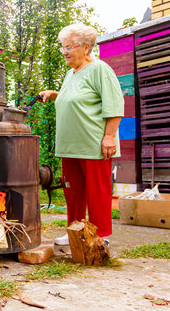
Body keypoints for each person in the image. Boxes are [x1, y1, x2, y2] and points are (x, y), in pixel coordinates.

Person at [39, 23, 124, 246]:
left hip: (93, 144)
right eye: (62, 47)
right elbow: (76, 98)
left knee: (97, 192)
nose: (64, 52)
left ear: (86, 47)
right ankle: (75, 234)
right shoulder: (71, 73)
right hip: (70, 146)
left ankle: (100, 236)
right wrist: (55, 94)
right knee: (73, 193)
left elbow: (114, 105)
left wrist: (109, 137)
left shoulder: (100, 69)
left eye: (68, 47)